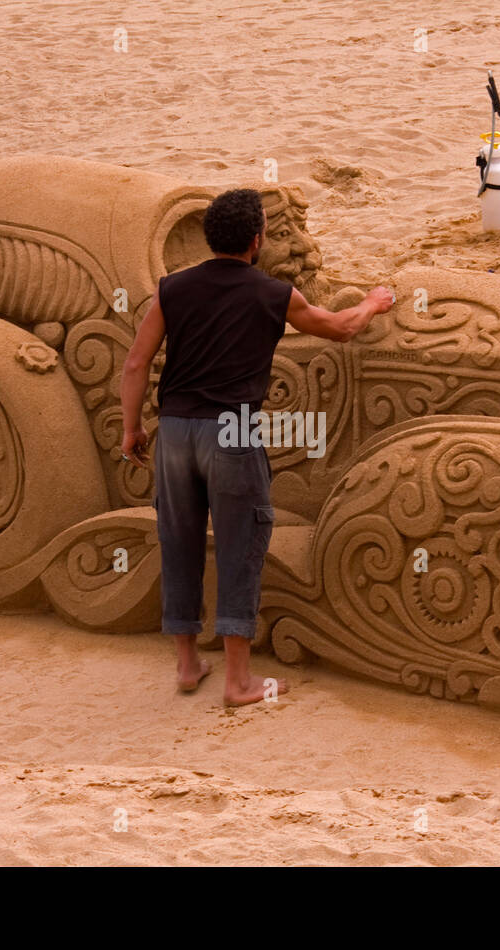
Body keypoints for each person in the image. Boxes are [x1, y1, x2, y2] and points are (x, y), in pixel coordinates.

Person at [118, 188, 394, 706]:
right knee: (241, 541)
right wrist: (374, 302)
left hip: (174, 429)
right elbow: (339, 329)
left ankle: (186, 664)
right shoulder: (274, 294)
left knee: (178, 540)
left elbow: (135, 364)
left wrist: (132, 429)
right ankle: (239, 681)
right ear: (256, 240)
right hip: (233, 431)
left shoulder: (172, 289)